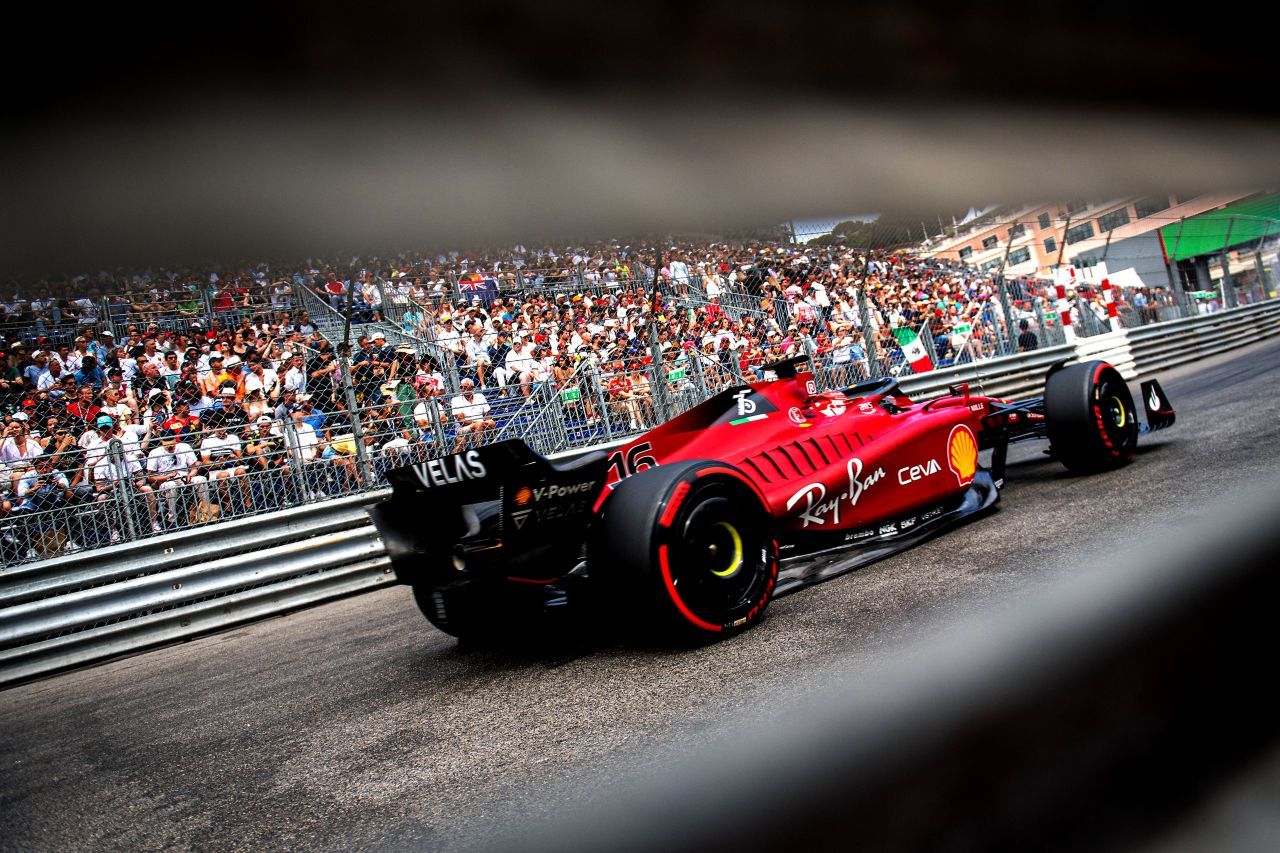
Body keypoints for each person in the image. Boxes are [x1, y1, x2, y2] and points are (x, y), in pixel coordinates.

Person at [145, 429, 208, 527]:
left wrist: (191, 474)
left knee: (201, 479)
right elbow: (150, 477)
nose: (169, 446)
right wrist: (166, 476)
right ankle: (172, 520)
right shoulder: (155, 452)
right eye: (166, 444)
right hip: (166, 481)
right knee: (171, 485)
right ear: (161, 441)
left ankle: (206, 513)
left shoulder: (184, 447)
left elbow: (195, 466)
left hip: (184, 477)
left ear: (175, 440)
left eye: (172, 444)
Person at [449, 378, 495, 451]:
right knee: (478, 426)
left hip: (481, 424)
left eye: (465, 387)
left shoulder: (480, 396)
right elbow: (462, 421)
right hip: (462, 428)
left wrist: (485, 422)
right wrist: (479, 423)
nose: (463, 389)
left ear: (472, 388)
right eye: (461, 387)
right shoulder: (456, 400)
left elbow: (488, 416)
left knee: (491, 422)